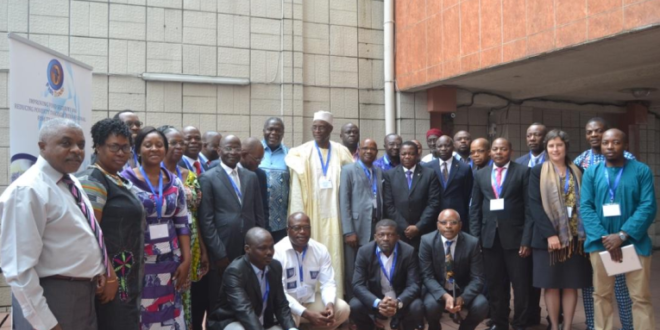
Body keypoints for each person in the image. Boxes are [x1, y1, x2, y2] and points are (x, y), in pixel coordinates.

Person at [2, 118, 110, 330]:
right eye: (66, 143)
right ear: (42, 146)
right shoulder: (28, 190)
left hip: (82, 295)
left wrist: (98, 269)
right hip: (53, 298)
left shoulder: (71, 181)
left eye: (81, 144)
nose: (77, 150)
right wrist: (46, 324)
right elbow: (19, 269)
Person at [581, 129, 656, 330]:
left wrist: (622, 235)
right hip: (601, 244)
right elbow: (586, 207)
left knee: (640, 296)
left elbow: (648, 206)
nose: (610, 147)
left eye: (616, 142)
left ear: (626, 146)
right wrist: (605, 237)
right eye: (606, 143)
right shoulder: (592, 172)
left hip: (634, 243)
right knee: (601, 295)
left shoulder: (641, 170)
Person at [77, 119, 145, 330]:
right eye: (114, 147)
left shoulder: (117, 178)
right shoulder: (93, 180)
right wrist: (108, 275)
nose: (121, 153)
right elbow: (90, 235)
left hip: (127, 274)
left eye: (125, 147)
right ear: (98, 146)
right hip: (112, 280)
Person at [122, 127, 191, 329]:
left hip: (171, 258)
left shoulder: (175, 182)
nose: (154, 149)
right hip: (139, 260)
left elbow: (182, 224)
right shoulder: (125, 181)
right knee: (142, 310)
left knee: (169, 308)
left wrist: (186, 260)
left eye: (159, 145)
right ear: (138, 149)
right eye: (148, 145)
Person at [573, 118, 635, 330]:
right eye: (589, 132)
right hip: (593, 233)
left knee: (622, 286)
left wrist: (622, 234)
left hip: (620, 232)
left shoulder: (627, 158)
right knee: (592, 286)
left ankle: (628, 326)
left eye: (598, 131)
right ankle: (593, 324)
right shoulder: (580, 161)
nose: (594, 135)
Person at [286, 110, 354, 298]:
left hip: (336, 215)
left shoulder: (341, 151)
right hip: (311, 213)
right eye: (314, 127)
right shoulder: (302, 152)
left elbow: (352, 180)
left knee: (334, 256)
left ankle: (334, 298)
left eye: (321, 127)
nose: (317, 130)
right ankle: (310, 298)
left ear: (330, 129)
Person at [198, 134, 266, 322]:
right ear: (219, 151)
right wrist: (219, 253)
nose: (233, 152)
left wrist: (260, 246)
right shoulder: (208, 177)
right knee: (219, 299)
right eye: (228, 148)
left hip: (249, 249)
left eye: (236, 148)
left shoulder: (251, 177)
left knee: (248, 295)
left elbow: (259, 214)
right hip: (223, 250)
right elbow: (206, 221)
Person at [528, 129, 592, 330]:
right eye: (551, 146)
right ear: (546, 149)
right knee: (552, 284)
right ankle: (555, 326)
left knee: (571, 284)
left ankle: (567, 326)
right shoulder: (537, 171)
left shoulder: (578, 170)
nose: (555, 149)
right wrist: (550, 234)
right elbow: (534, 205)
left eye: (559, 145)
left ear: (566, 147)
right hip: (548, 240)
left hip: (575, 239)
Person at [469, 137, 532, 330]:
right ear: (490, 152)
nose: (498, 152)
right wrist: (475, 239)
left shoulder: (523, 172)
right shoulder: (481, 174)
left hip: (516, 239)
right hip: (489, 239)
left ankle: (521, 323)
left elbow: (530, 208)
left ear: (510, 151)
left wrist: (526, 239)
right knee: (496, 284)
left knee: (520, 285)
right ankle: (500, 322)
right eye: (495, 149)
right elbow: (475, 209)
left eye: (502, 149)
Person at [159, 125, 210, 330]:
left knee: (188, 295)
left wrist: (203, 249)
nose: (179, 146)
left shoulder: (189, 175)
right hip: (164, 242)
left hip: (192, 241)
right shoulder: (152, 174)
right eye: (173, 142)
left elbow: (196, 214)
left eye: (181, 142)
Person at [207, 227, 298, 330]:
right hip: (234, 321)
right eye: (262, 248)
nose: (269, 252)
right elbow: (244, 310)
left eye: (271, 247)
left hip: (264, 322)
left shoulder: (275, 266)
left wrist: (292, 328)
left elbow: (281, 304)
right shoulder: (235, 272)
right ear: (247, 249)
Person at [273, 212, 350, 330]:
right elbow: (280, 294)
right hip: (287, 307)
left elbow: (328, 283)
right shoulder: (277, 252)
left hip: (309, 300)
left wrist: (329, 304)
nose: (302, 231)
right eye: (297, 228)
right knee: (285, 326)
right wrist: (306, 314)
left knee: (343, 309)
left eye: (306, 227)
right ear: (288, 230)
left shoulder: (320, 250)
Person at [349, 219, 424, 330]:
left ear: (398, 237)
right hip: (376, 297)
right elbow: (357, 284)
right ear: (375, 237)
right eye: (381, 235)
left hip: (400, 297)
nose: (385, 238)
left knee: (417, 306)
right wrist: (378, 303)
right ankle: (370, 326)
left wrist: (398, 302)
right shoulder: (364, 252)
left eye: (390, 235)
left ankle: (403, 323)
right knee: (354, 305)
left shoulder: (409, 252)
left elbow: (414, 284)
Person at [420, 209, 488, 330]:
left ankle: (465, 328)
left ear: (460, 225)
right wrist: (445, 296)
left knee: (481, 305)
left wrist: (463, 298)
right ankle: (434, 326)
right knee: (430, 306)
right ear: (437, 225)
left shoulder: (472, 243)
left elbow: (478, 278)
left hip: (462, 289)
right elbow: (427, 276)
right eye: (444, 222)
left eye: (453, 222)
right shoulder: (427, 241)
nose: (448, 226)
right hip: (438, 288)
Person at [339, 138, 384, 300]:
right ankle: (353, 304)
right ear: (358, 150)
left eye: (372, 149)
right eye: (365, 148)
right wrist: (348, 230)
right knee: (353, 268)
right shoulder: (348, 170)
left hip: (375, 226)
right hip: (356, 228)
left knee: (372, 266)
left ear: (376, 152)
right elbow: (344, 202)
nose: (369, 152)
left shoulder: (378, 171)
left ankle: (371, 301)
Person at [515, 122, 548, 327]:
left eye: (536, 135)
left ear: (545, 138)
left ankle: (554, 316)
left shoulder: (552, 162)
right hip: (524, 225)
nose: (532, 139)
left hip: (546, 226)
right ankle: (529, 314)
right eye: (529, 135)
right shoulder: (519, 162)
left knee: (547, 275)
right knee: (525, 275)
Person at [383, 141, 441, 249]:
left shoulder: (429, 174)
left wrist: (418, 226)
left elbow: (433, 203)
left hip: (423, 230)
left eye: (411, 154)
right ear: (399, 155)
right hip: (399, 231)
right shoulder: (389, 175)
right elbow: (388, 204)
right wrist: (405, 227)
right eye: (403, 154)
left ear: (417, 154)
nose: (407, 156)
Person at [423, 135, 473, 232]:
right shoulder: (427, 167)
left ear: (453, 146)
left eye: (447, 146)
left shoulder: (464, 168)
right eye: (440, 146)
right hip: (433, 215)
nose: (443, 149)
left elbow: (468, 192)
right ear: (436, 148)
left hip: (457, 214)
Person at [260, 117, 290, 243]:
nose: (274, 133)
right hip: (258, 218)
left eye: (278, 130)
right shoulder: (254, 150)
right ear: (263, 131)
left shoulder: (290, 155)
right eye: (270, 129)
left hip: (280, 221)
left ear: (283, 133)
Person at [239, 137, 270, 233]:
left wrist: (263, 230)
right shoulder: (223, 171)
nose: (259, 163)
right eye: (257, 159)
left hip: (252, 232)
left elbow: (263, 209)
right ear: (244, 154)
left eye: (261, 159)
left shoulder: (259, 175)